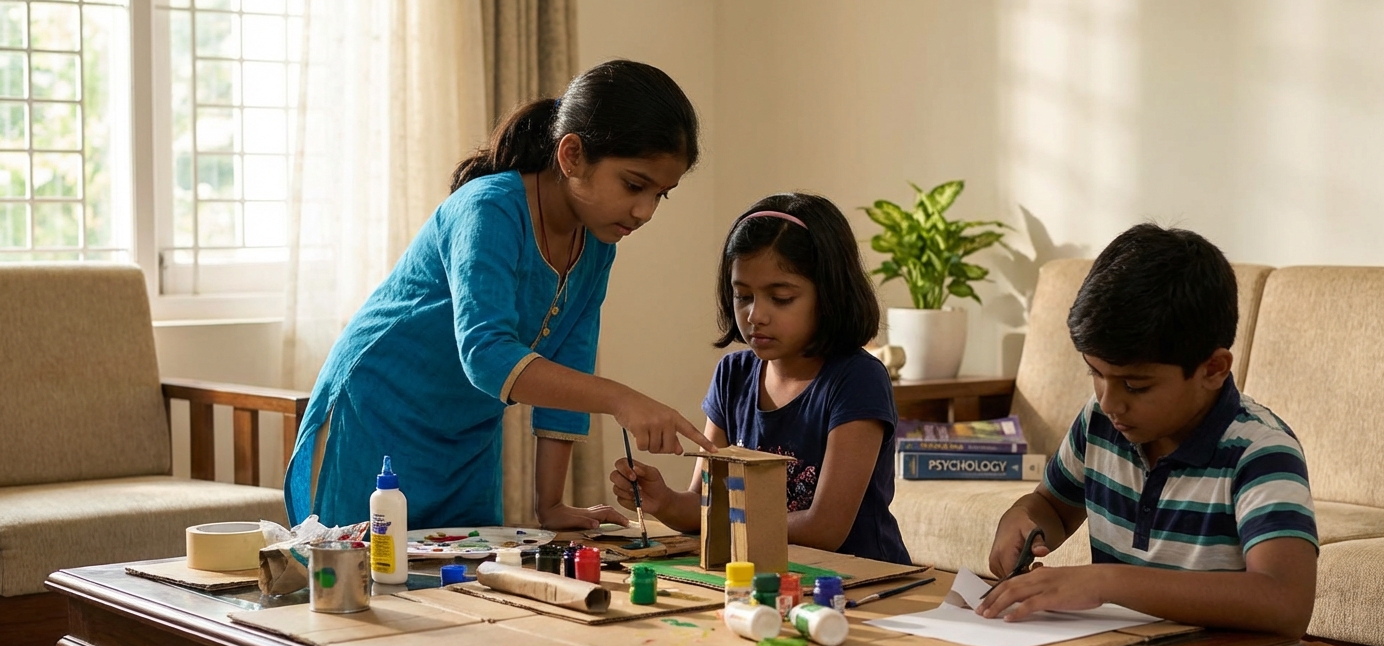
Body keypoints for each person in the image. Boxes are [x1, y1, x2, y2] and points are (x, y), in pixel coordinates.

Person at [283, 60, 713, 534]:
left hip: (467, 432)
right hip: (377, 413)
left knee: (465, 585)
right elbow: (486, 356)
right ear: (571, 155)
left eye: (661, 195)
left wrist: (550, 506)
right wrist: (620, 399)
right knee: (364, 584)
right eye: (634, 185)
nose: (645, 211)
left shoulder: (596, 244)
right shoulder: (488, 207)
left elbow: (571, 363)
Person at [979, 224, 1318, 646]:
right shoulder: (1100, 424)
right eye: (1096, 375)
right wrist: (1022, 518)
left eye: (1135, 385)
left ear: (1213, 369)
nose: (1110, 402)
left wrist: (1107, 583)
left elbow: (1285, 603)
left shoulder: (1258, 451)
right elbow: (1052, 505)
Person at [609, 193, 912, 564]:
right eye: (743, 296)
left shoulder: (857, 379)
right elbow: (705, 504)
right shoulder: (733, 375)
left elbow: (826, 529)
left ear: (830, 294)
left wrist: (718, 520)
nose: (755, 316)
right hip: (764, 577)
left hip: (859, 579)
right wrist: (666, 501)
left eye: (781, 298)